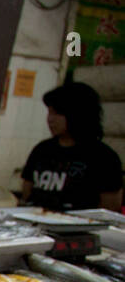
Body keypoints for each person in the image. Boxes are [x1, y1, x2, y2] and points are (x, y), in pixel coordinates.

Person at [19, 82, 122, 212]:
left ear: (78, 114)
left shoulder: (104, 157)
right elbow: (27, 190)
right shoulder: (42, 150)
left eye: (57, 113)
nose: (50, 119)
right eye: (49, 113)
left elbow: (109, 208)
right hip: (35, 223)